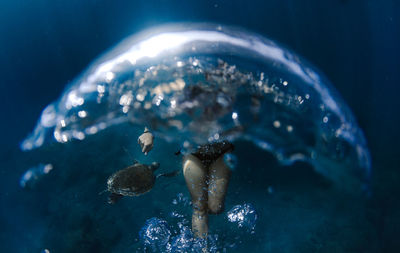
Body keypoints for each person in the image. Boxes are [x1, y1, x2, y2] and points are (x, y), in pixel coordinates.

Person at [182, 140, 234, 238]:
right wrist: (147, 132)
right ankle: (203, 249)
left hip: (221, 152)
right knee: (199, 206)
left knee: (215, 207)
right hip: (193, 154)